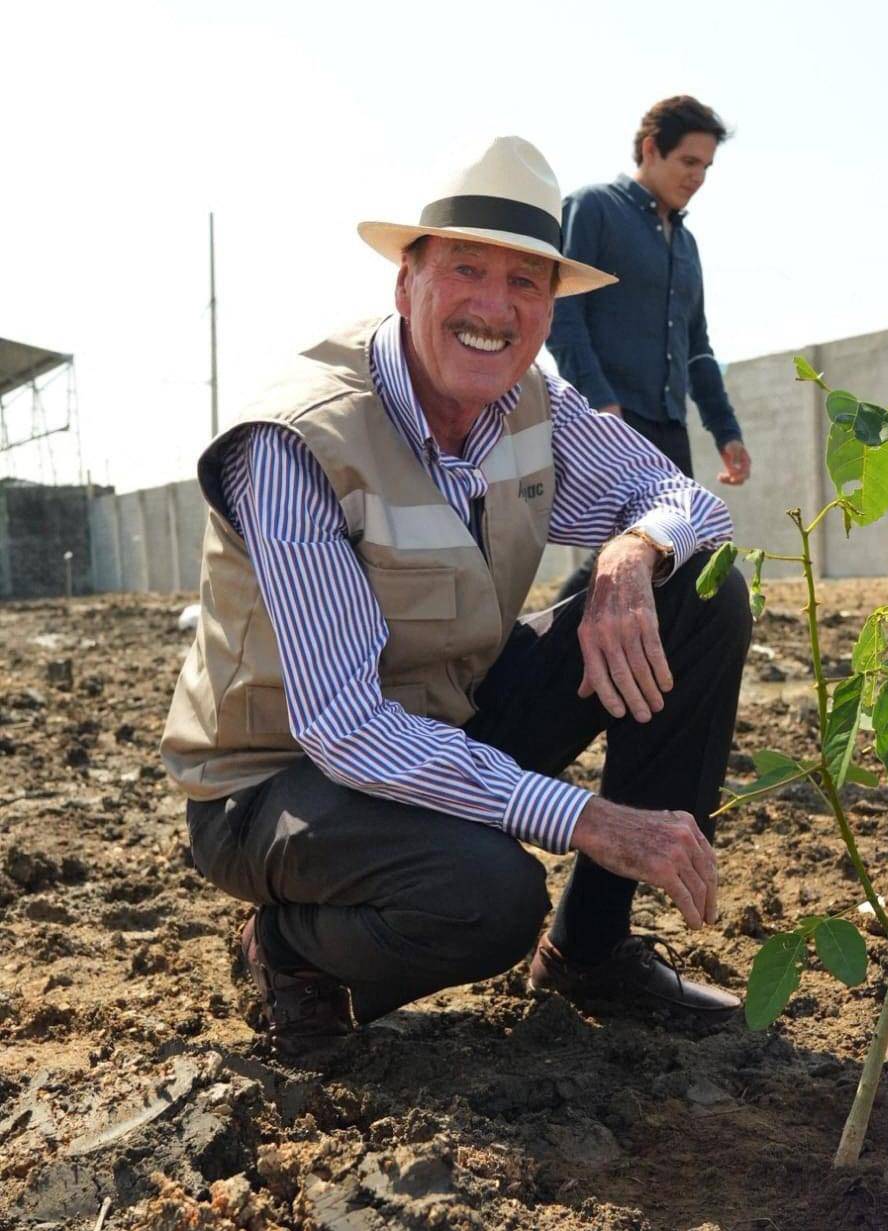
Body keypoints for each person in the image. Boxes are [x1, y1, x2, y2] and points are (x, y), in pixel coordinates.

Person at [161, 136, 751, 1062]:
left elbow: (691, 506)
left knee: (700, 596)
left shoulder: (529, 402)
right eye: (465, 270)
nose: (493, 307)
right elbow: (346, 727)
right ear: (407, 284)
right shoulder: (295, 443)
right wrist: (586, 818)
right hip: (277, 778)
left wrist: (630, 554)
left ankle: (591, 953)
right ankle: (286, 949)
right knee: (487, 895)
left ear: (549, 308)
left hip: (445, 709)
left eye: (525, 283)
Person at [548, 96, 751, 599]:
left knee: (671, 558)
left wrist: (725, 430)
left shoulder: (686, 245)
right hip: (611, 419)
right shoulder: (593, 208)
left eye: (706, 166)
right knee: (618, 557)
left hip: (669, 425)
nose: (698, 177)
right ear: (650, 149)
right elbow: (561, 312)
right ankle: (532, 657)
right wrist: (600, 401)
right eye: (688, 162)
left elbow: (697, 347)